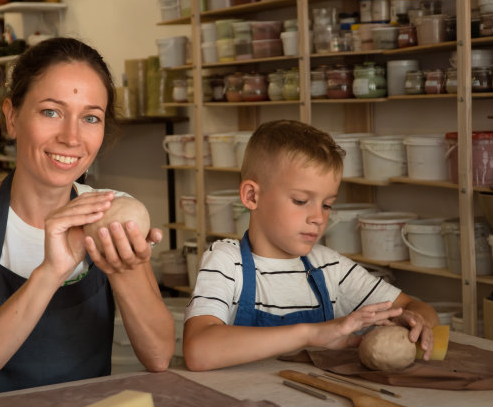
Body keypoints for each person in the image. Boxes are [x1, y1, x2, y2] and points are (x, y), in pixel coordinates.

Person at [0, 37, 175, 404]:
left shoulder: (111, 214)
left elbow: (158, 356)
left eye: (90, 117)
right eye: (51, 111)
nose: (71, 137)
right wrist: (49, 273)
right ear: (11, 117)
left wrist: (122, 269)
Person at [183, 120, 440, 371]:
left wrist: (417, 320)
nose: (318, 217)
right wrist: (311, 334)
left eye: (326, 204)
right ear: (252, 196)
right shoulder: (227, 262)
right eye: (300, 200)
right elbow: (198, 351)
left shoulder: (329, 267)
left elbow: (418, 307)